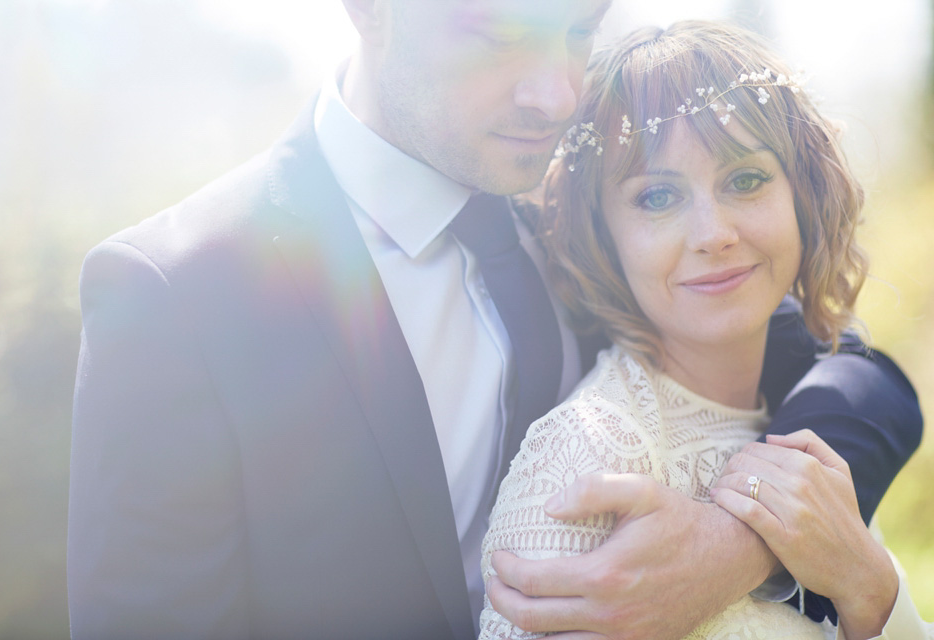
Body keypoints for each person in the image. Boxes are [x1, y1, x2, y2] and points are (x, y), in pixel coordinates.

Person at [67, 1, 921, 638]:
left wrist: (738, 540)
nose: (555, 95)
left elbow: (856, 376)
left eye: (578, 32)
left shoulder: (584, 225)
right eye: (495, 35)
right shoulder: (175, 293)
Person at [479, 20, 931, 639]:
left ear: (802, 195)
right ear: (603, 237)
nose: (713, 232)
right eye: (657, 198)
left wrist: (868, 584)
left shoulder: (806, 436)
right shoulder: (585, 460)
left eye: (745, 180)